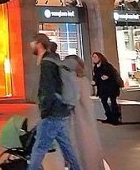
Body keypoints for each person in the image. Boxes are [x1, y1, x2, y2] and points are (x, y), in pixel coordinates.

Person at [28, 33, 81, 170]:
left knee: (39, 148)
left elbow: (48, 90)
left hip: (52, 113)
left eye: (32, 43)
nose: (30, 45)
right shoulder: (54, 60)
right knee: (67, 147)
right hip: (61, 111)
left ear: (39, 44)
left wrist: (44, 111)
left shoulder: (47, 64)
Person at [64, 55, 106, 170]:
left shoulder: (74, 82)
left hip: (77, 119)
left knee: (79, 146)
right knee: (88, 145)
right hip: (86, 118)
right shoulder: (83, 80)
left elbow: (73, 100)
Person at [92, 52, 121, 125]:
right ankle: (109, 117)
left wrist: (107, 76)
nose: (94, 59)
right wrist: (95, 81)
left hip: (111, 87)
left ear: (100, 57)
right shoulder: (96, 68)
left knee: (113, 101)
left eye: (95, 57)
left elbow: (113, 74)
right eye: (93, 57)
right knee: (104, 101)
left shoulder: (107, 66)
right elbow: (97, 77)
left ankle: (115, 119)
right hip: (102, 88)